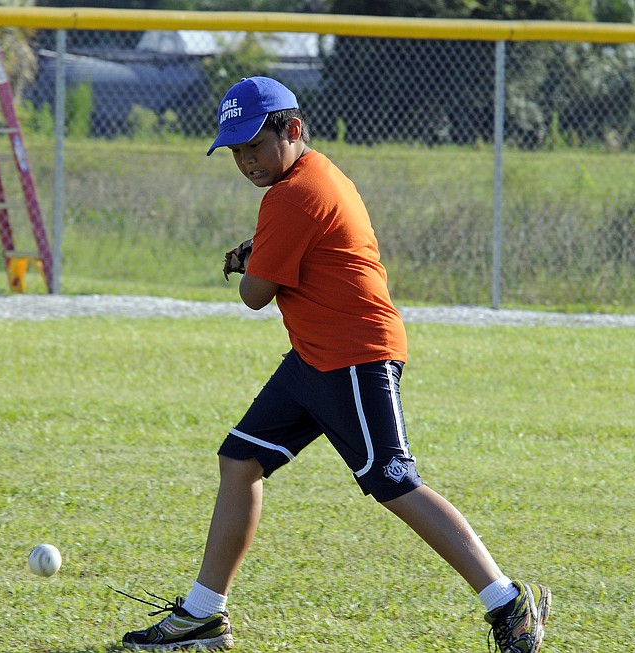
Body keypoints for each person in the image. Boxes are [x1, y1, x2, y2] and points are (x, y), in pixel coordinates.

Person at [120, 76, 551, 653]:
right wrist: (261, 255)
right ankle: (203, 613)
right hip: (314, 359)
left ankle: (507, 603)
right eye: (236, 150)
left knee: (394, 482)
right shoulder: (309, 176)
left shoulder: (293, 193)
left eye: (254, 144)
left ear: (293, 130)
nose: (246, 160)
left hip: (354, 358)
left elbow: (254, 294)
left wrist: (252, 264)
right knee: (240, 460)